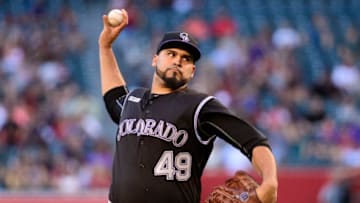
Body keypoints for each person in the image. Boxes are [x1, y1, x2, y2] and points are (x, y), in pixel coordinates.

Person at [98, 9, 278, 203]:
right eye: (171, 54)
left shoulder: (200, 106)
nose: (178, 61)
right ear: (155, 59)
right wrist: (105, 47)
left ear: (192, 71)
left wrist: (270, 183)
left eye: (186, 59)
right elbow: (113, 97)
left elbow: (254, 141)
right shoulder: (133, 100)